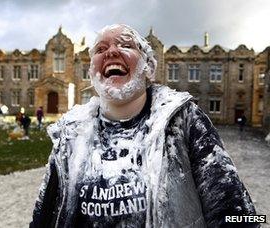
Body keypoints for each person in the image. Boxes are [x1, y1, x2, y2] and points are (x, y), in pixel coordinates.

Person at [31, 24, 258, 227]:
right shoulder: (71, 133)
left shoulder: (183, 119)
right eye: (100, 49)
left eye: (125, 45)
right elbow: (43, 216)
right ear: (91, 71)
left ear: (149, 67)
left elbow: (240, 214)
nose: (111, 52)